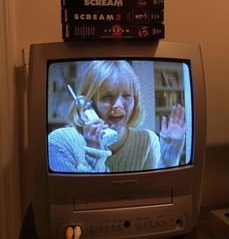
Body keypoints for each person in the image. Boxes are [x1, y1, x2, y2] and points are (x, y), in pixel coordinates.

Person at [48, 60, 186, 173]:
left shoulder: (148, 141)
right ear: (89, 103)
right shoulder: (61, 142)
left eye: (126, 96)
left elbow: (157, 197)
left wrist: (168, 159)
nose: (119, 105)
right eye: (108, 97)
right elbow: (78, 202)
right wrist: (95, 155)